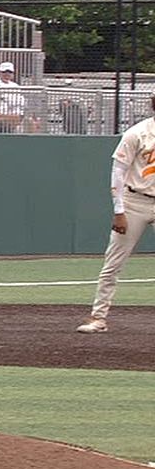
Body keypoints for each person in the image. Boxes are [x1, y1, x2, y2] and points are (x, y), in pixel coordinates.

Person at [77, 95, 155, 333]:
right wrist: (119, 210)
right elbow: (118, 172)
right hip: (135, 201)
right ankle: (98, 317)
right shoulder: (137, 133)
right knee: (114, 262)